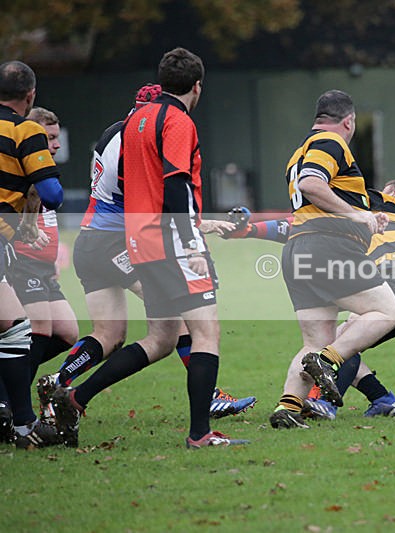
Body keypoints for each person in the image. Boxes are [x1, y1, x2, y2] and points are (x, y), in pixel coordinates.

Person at [52, 47, 248, 448]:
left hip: (140, 243)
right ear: (197, 86)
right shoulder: (178, 121)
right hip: (174, 242)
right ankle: (200, 434)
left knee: (161, 338)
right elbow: (176, 184)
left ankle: (76, 395)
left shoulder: (136, 120)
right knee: (206, 333)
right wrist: (192, 241)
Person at [270, 89, 395, 429]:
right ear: (348, 121)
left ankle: (287, 406)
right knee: (389, 311)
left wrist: (364, 213)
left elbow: (315, 196)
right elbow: (312, 184)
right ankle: (326, 361)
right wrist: (356, 216)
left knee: (315, 339)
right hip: (328, 248)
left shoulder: (298, 152)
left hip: (298, 249)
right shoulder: (332, 142)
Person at [0, 60, 64, 449]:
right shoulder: (25, 130)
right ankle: (23, 424)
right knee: (17, 327)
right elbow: (53, 194)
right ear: (31, 96)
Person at [8, 107, 79, 394]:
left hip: (43, 267)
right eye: (50, 137)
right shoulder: (19, 167)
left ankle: (11, 382)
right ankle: (15, 399)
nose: (57, 144)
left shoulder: (45, 170)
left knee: (67, 331)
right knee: (39, 327)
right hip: (22, 261)